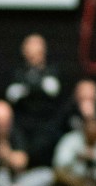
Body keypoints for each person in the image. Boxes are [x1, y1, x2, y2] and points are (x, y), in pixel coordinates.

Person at [4, 33, 63, 167]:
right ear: (24, 52)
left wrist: (26, 88)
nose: (33, 56)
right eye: (30, 52)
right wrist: (37, 87)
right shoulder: (16, 73)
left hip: (45, 126)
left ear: (44, 52)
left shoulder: (53, 71)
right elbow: (12, 95)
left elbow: (52, 90)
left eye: (38, 52)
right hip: (21, 126)